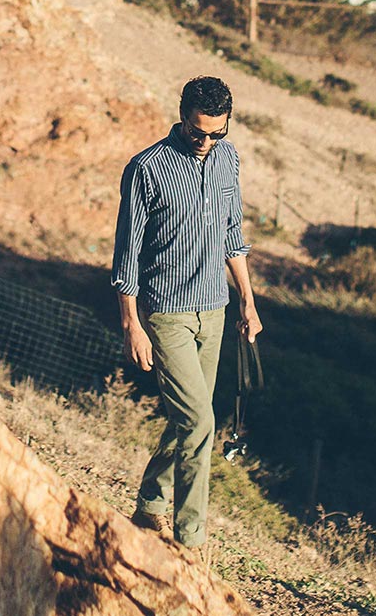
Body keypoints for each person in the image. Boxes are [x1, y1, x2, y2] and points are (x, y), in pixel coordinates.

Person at [111, 74, 262, 549]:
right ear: (181, 117)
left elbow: (232, 236)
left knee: (189, 420)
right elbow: (126, 255)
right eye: (198, 132)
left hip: (214, 312)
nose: (206, 142)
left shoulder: (228, 159)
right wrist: (132, 324)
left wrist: (247, 300)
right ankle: (190, 539)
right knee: (200, 422)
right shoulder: (147, 169)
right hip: (165, 315)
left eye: (217, 133)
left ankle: (151, 502)